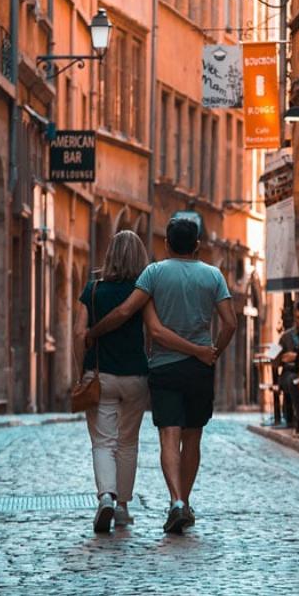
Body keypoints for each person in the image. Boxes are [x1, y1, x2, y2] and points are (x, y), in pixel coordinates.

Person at [85, 213, 236, 536]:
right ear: (197, 246)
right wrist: (211, 352)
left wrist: (94, 331)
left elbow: (134, 316)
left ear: (166, 244)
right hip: (200, 370)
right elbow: (230, 323)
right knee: (193, 436)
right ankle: (183, 501)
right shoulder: (214, 276)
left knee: (169, 435)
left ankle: (176, 501)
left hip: (165, 367)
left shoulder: (153, 273)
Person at [273, 300, 299, 432]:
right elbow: (274, 358)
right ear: (295, 318)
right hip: (289, 373)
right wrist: (279, 357)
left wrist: (296, 356)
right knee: (294, 381)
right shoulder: (286, 337)